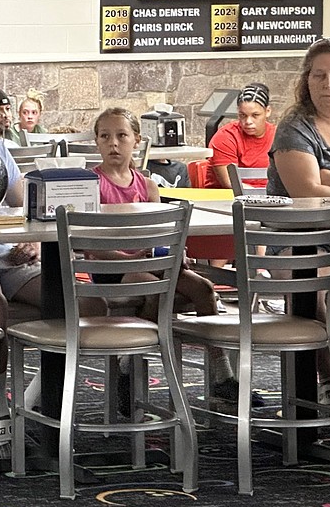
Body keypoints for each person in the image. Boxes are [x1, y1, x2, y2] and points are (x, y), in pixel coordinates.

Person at [0, 58, 105, 416]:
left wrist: (38, 240)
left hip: (7, 257)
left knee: (85, 305)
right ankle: (0, 411)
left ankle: (36, 399)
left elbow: (26, 201)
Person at [91, 107, 261, 408]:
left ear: (137, 141)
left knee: (203, 289)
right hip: (114, 266)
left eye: (121, 136)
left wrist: (175, 251)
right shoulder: (93, 185)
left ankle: (222, 375)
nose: (114, 144)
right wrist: (135, 258)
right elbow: (92, 247)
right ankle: (126, 364)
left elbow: (165, 233)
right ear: (97, 142)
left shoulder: (147, 185)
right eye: (105, 137)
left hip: (156, 265)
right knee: (158, 289)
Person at [267, 36, 330, 405]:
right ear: (306, 81)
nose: (328, 83)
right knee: (313, 287)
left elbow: (321, 185)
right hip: (301, 241)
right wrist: (324, 184)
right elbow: (306, 192)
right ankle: (329, 380)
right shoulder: (295, 128)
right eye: (318, 75)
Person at [204, 82, 275, 189]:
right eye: (243, 115)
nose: (248, 121)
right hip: (227, 199)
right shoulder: (225, 137)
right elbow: (230, 183)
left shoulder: (278, 135)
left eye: (255, 115)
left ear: (267, 111)